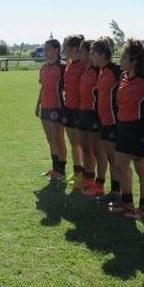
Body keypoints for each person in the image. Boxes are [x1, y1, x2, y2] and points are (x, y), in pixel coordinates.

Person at [111, 40, 144, 219]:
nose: (120, 59)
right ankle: (127, 203)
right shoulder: (123, 77)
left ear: (134, 60)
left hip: (140, 130)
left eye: (124, 56)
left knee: (141, 170)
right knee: (120, 166)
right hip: (123, 129)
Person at [89, 38, 122, 200]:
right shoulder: (101, 71)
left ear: (103, 53)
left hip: (114, 123)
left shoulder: (115, 71)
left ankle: (118, 192)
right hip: (104, 121)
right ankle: (115, 190)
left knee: (116, 159)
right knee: (110, 157)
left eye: (93, 53)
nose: (90, 56)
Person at [78, 40, 108, 195]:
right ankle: (89, 177)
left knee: (98, 151)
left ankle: (100, 183)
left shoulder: (98, 71)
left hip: (94, 114)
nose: (82, 54)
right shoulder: (86, 69)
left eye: (84, 52)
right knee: (85, 148)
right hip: (83, 112)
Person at [35, 39, 67, 181]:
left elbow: (69, 89)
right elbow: (42, 88)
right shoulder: (44, 67)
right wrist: (38, 105)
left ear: (56, 50)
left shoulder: (62, 67)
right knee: (50, 140)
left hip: (57, 108)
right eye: (44, 48)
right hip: (45, 108)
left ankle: (61, 171)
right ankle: (55, 169)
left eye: (47, 49)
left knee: (58, 140)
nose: (45, 51)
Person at [61, 35, 86, 187]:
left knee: (82, 144)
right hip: (68, 108)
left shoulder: (83, 65)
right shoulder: (69, 64)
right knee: (73, 142)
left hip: (79, 110)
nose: (63, 50)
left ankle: (85, 176)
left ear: (75, 48)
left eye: (66, 46)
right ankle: (77, 172)